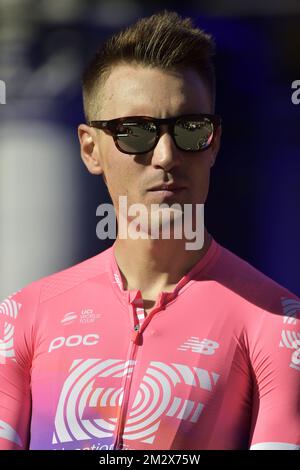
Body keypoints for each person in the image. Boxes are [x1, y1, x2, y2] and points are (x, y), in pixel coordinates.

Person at [0, 11, 299, 451]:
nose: (165, 155)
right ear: (90, 148)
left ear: (213, 143)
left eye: (189, 129)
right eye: (136, 132)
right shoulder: (22, 316)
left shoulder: (280, 323)